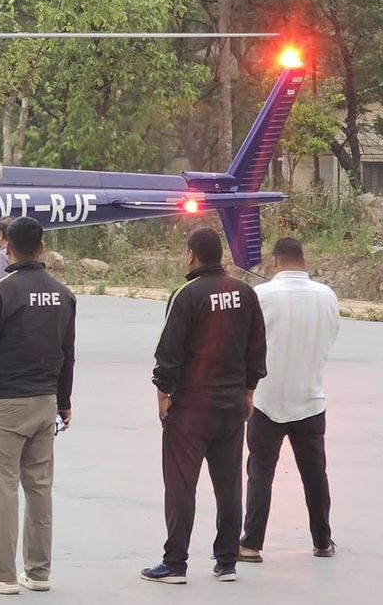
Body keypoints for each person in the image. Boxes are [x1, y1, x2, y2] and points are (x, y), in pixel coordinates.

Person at [143, 227, 267, 585]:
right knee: (229, 485)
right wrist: (248, 391)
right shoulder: (244, 293)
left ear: (191, 255)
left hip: (191, 408)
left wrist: (164, 393)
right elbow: (257, 347)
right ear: (220, 255)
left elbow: (169, 351)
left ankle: (175, 563)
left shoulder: (186, 295)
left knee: (181, 486)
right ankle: (226, 561)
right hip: (231, 405)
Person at [0, 216, 77, 596]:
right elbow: (67, 354)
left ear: (7, 247)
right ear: (42, 248)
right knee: (39, 488)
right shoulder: (63, 293)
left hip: (3, 404)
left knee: (1, 489)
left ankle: (3, 574)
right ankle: (39, 571)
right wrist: (63, 402)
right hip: (45, 402)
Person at [239, 237, 340, 563]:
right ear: (303, 260)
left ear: (275, 262)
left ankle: (251, 544)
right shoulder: (327, 296)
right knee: (315, 473)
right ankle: (322, 541)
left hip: (266, 400)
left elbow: (245, 345)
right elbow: (331, 337)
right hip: (310, 398)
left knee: (260, 472)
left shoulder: (261, 295)